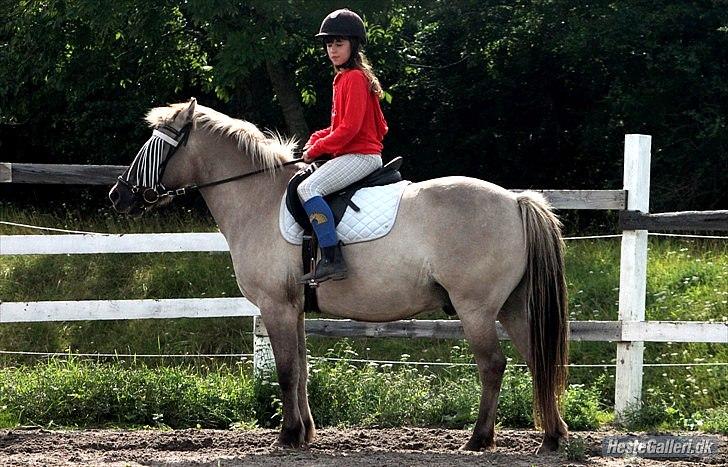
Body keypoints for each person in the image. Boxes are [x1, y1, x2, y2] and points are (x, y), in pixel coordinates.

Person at [297, 8, 388, 284]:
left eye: (339, 44)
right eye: (329, 45)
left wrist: (316, 149)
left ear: (353, 45)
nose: (333, 50)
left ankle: (333, 259)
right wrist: (316, 137)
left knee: (307, 188)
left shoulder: (355, 79)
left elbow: (349, 130)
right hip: (354, 152)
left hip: (361, 156)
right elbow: (339, 127)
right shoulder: (344, 78)